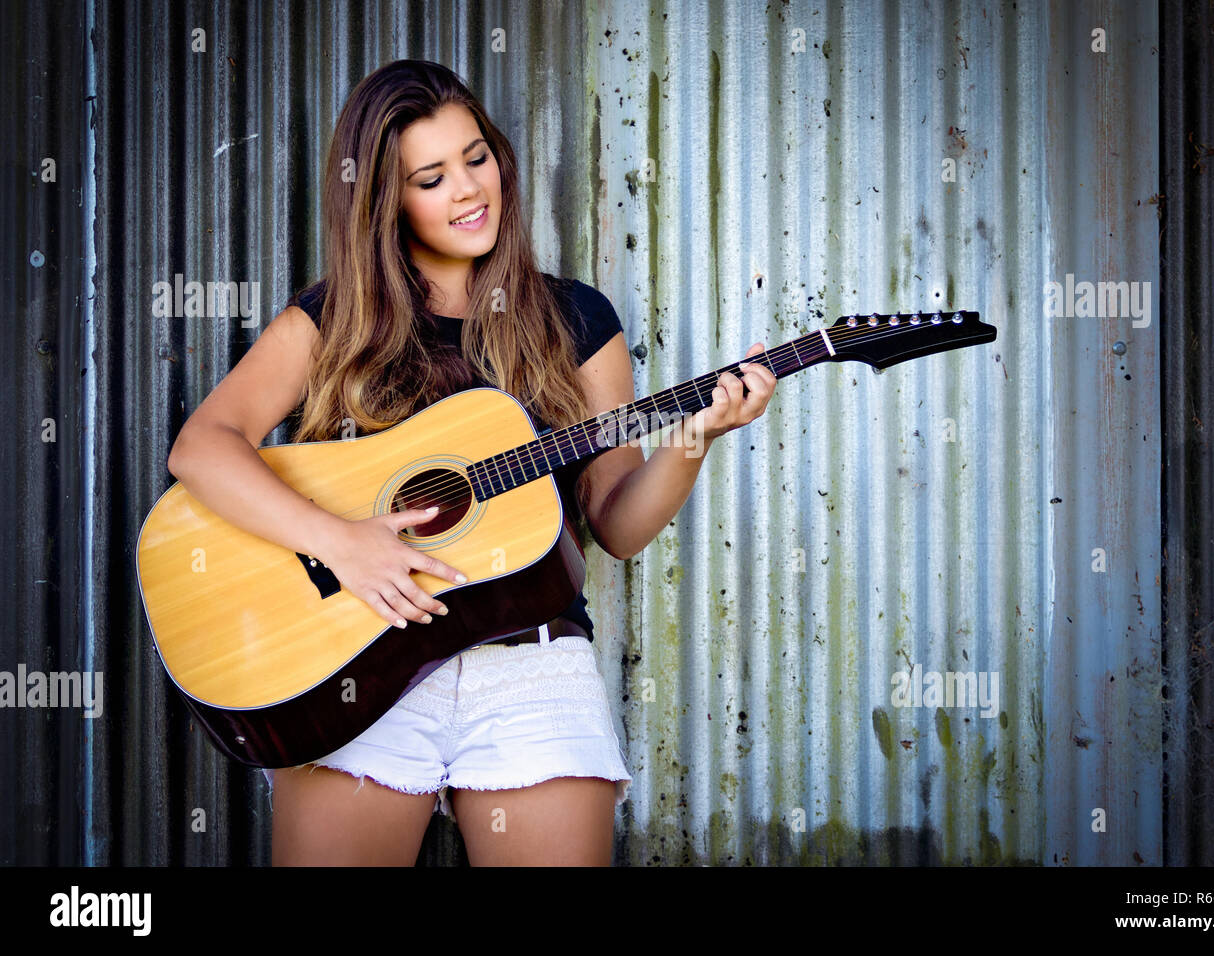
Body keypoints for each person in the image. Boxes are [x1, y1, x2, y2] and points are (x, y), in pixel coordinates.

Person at [165, 59, 777, 866]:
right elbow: (201, 446)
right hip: (357, 664)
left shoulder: (576, 317)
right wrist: (339, 541)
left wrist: (694, 440)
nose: (467, 190)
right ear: (387, 200)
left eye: (477, 158)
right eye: (431, 176)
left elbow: (616, 524)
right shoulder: (333, 320)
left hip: (531, 663)